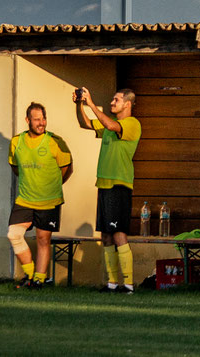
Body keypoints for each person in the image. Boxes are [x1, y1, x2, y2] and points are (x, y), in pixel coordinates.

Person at [75, 85, 141, 292]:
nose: (112, 103)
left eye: (116, 100)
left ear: (127, 104)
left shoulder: (131, 124)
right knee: (105, 235)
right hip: (103, 184)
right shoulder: (108, 124)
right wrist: (80, 104)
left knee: (119, 232)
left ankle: (128, 284)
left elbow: (112, 127)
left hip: (118, 184)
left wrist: (92, 104)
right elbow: (85, 123)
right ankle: (112, 283)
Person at [6, 101, 72, 289]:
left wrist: (51, 186)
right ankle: (30, 274)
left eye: (43, 119)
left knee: (43, 240)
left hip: (49, 201)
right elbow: (15, 167)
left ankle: (39, 281)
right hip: (25, 199)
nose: (41, 123)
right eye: (37, 120)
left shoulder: (55, 142)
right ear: (27, 120)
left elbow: (67, 169)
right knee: (14, 234)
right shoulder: (16, 142)